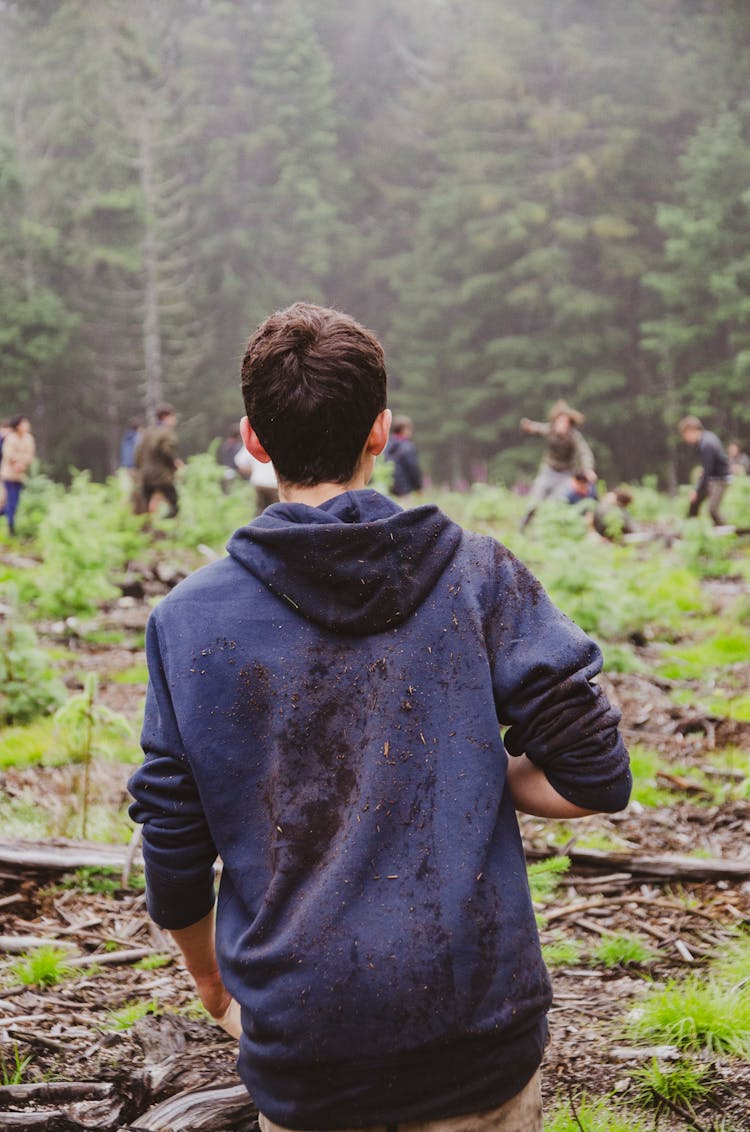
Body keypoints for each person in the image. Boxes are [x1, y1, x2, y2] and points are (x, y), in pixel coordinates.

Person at [128, 302, 631, 1132]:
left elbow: (175, 846)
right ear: (381, 432)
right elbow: (596, 775)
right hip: (478, 1041)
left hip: (307, 1053)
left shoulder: (186, 620)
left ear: (253, 439)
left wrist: (213, 983)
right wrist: (471, 769)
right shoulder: (477, 576)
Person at [520, 401, 596, 530]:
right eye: (559, 422)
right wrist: (529, 426)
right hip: (548, 471)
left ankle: (548, 530)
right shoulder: (549, 429)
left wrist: (588, 469)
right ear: (555, 422)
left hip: (565, 475)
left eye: (565, 422)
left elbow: (584, 452)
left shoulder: (573, 436)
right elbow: (537, 428)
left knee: (555, 503)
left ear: (569, 423)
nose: (562, 425)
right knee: (534, 501)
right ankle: (522, 529)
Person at [679, 416, 730, 526]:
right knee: (695, 502)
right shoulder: (706, 438)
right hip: (713, 478)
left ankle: (726, 530)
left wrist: (696, 490)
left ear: (691, 430)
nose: (685, 439)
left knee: (712, 509)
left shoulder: (706, 444)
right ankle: (692, 526)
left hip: (719, 480)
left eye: (685, 435)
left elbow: (708, 472)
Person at [134, 403, 182, 517]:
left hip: (146, 477)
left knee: (146, 509)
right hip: (161, 477)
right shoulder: (166, 432)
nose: (175, 420)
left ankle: (149, 531)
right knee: (174, 504)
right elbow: (167, 452)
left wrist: (142, 470)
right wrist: (174, 465)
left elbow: (137, 454)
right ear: (166, 416)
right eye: (173, 416)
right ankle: (167, 529)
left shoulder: (147, 432)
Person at [0, 415, 36, 536]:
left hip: (20, 475)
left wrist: (22, 464)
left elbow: (30, 455)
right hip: (8, 474)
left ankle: (8, 518)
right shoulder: (10, 438)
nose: (26, 425)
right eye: (24, 423)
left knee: (15, 502)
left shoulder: (29, 439)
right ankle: (11, 527)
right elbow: (8, 454)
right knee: (10, 500)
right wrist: (16, 462)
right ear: (18, 426)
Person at [234, 443, 279, 515]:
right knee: (277, 513)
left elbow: (239, 460)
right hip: (274, 483)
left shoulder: (255, 440)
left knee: (258, 511)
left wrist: (253, 469)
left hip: (258, 481)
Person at [385, 414, 423, 495]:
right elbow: (413, 468)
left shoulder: (387, 444)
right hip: (405, 490)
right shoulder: (407, 447)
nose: (410, 432)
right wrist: (418, 487)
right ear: (403, 429)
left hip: (389, 489)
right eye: (409, 429)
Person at [217, 426, 245, 493]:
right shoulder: (238, 446)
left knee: (227, 492)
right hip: (235, 472)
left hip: (225, 470)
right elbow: (238, 461)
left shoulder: (226, 444)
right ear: (238, 435)